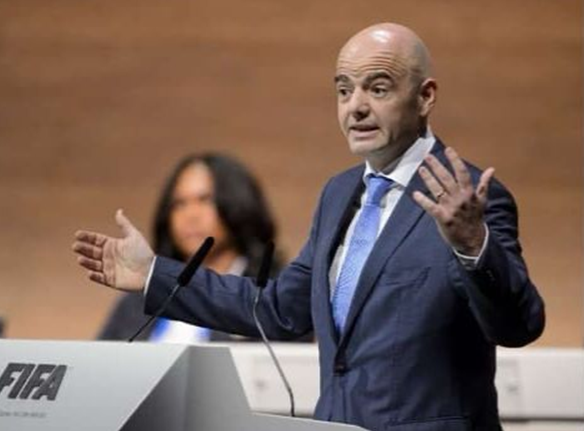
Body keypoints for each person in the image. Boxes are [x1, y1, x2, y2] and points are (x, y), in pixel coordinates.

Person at [73, 23, 545, 431]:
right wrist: (155, 274)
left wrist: (473, 246)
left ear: (426, 97)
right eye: (344, 90)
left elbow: (520, 324)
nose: (356, 107)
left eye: (378, 88)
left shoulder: (469, 201)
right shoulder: (338, 194)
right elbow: (278, 309)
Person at [98, 152, 283, 342]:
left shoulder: (273, 297)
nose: (190, 215)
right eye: (179, 203)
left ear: (238, 203)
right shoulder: (140, 300)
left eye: (205, 200)